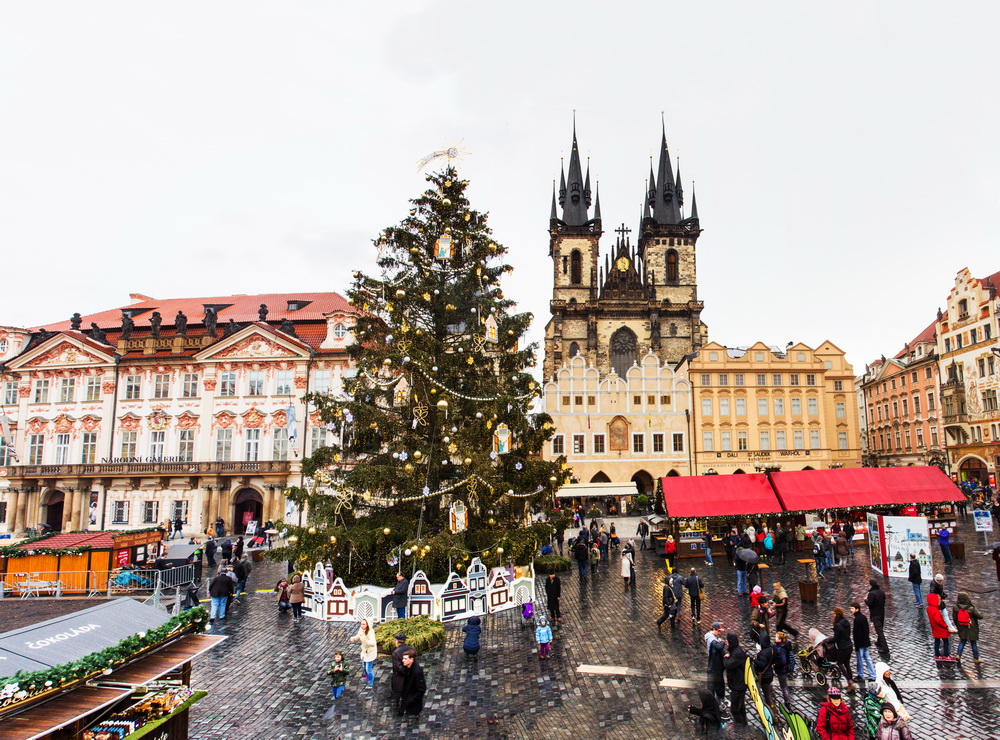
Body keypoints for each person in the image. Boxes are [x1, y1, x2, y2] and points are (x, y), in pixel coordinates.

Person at [724, 633, 749, 725]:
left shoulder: (737, 653)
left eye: (727, 640)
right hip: (737, 683)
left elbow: (728, 665)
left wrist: (725, 658)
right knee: (740, 706)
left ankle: (740, 725)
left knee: (735, 708)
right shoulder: (735, 651)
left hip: (738, 685)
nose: (726, 642)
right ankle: (743, 723)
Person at [953, 591, 983, 662]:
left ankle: (958, 655)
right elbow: (980, 616)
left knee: (962, 641)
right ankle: (976, 658)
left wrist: (957, 626)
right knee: (973, 642)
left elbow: (954, 618)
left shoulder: (955, 607)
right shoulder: (971, 608)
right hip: (971, 627)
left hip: (961, 626)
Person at [832, 608, 856, 691]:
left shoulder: (838, 625)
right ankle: (851, 683)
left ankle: (850, 682)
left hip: (843, 647)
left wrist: (828, 640)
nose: (833, 615)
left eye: (834, 614)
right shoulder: (846, 622)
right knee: (847, 664)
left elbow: (836, 638)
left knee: (840, 663)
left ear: (837, 615)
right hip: (849, 645)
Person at [851, 602, 876, 682]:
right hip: (866, 642)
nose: (851, 610)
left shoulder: (857, 619)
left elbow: (857, 633)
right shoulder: (863, 617)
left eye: (852, 609)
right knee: (868, 658)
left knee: (859, 660)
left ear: (857, 609)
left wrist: (857, 645)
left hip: (860, 643)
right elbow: (866, 630)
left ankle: (860, 675)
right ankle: (873, 675)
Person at [705, 622, 727, 707]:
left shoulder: (710, 636)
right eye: (718, 631)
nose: (719, 633)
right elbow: (718, 647)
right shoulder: (712, 639)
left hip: (713, 664)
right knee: (716, 685)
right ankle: (717, 704)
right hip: (715, 665)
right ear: (714, 629)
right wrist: (722, 642)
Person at [349, 618, 377, 686]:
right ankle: (367, 677)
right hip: (364, 651)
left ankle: (370, 682)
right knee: (364, 667)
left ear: (367, 625)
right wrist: (354, 639)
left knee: (368, 668)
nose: (362, 625)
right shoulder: (361, 630)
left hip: (370, 652)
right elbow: (358, 636)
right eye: (361, 624)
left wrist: (366, 641)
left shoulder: (371, 632)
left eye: (364, 624)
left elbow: (373, 643)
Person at [390, 633, 414, 713]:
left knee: (397, 697)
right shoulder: (411, 649)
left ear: (397, 642)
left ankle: (399, 711)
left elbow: (398, 668)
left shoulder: (396, 653)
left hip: (399, 680)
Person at [927, 592, 954, 660]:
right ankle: (946, 655)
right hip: (941, 629)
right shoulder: (936, 611)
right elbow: (938, 620)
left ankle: (937, 654)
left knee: (937, 640)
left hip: (934, 628)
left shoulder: (929, 608)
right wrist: (945, 626)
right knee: (945, 641)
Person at [399, 649, 426, 716]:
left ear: (411, 659)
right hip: (406, 700)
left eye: (405, 659)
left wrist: (409, 700)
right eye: (403, 658)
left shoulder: (417, 672)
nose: (403, 660)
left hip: (412, 706)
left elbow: (421, 689)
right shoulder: (408, 668)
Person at [866, 578, 889, 654]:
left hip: (875, 614)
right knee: (880, 628)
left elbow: (870, 604)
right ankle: (879, 642)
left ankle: (885, 648)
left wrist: (865, 600)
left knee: (879, 631)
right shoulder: (881, 592)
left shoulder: (871, 593)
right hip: (881, 612)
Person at [773, 631, 795, 707]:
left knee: (783, 687)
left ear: (780, 639)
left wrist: (776, 664)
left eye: (776, 637)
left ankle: (787, 702)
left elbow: (783, 661)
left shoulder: (781, 649)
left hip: (781, 670)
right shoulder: (786, 645)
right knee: (784, 686)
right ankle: (787, 700)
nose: (775, 638)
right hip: (785, 669)